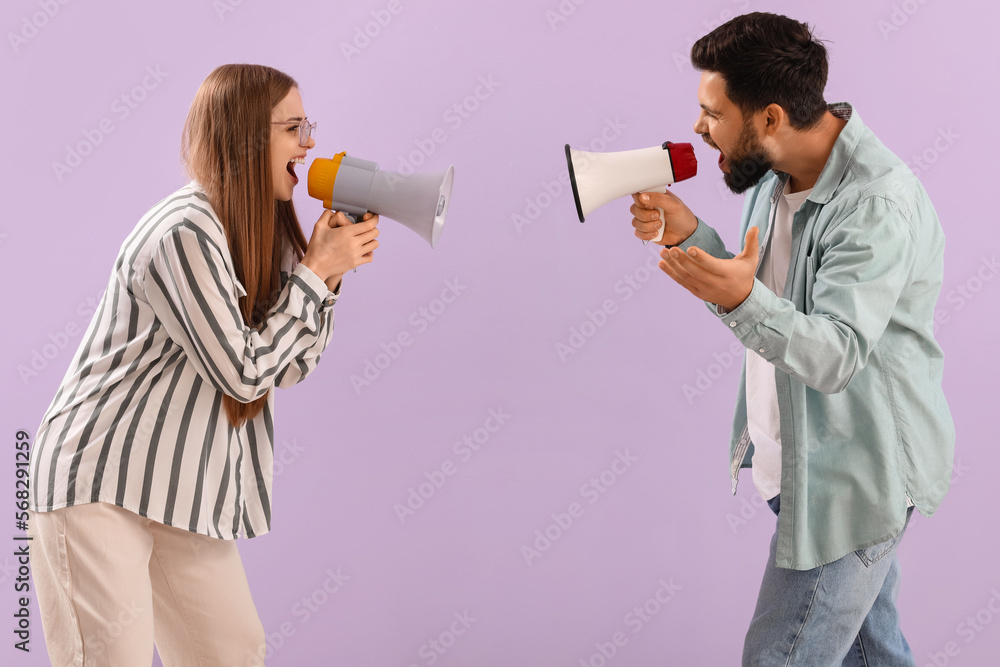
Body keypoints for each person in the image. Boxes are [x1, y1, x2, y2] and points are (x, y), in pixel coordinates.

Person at [27, 63, 380, 666]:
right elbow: (243, 373)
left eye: (308, 126)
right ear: (246, 136)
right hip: (99, 483)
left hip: (175, 488)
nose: (311, 143)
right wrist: (315, 275)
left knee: (232, 652)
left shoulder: (253, 230)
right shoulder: (184, 230)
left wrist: (329, 276)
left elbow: (287, 367)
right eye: (294, 127)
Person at [630, 13, 954, 666]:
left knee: (779, 656)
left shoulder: (874, 204)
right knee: (875, 653)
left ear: (770, 117)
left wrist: (735, 297)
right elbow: (772, 294)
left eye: (712, 113)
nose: (698, 127)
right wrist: (694, 236)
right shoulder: (776, 173)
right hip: (802, 468)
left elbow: (831, 353)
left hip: (854, 480)